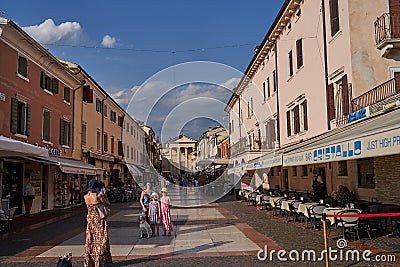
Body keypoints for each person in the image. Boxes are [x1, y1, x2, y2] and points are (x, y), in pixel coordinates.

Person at [83, 178, 112, 267]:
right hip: (99, 219)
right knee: (101, 239)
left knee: (91, 239)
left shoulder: (86, 196)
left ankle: (90, 260)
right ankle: (99, 260)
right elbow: (107, 204)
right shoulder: (98, 196)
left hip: (90, 219)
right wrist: (104, 196)